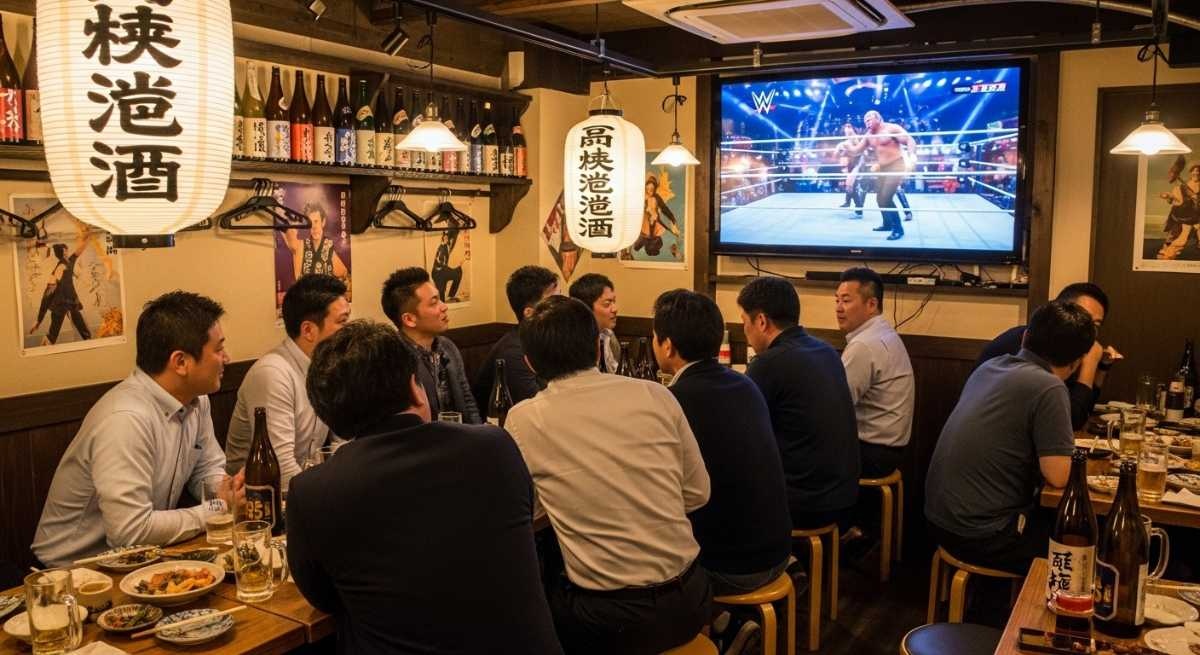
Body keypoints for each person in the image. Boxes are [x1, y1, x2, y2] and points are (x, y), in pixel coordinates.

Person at [287, 321, 562, 654]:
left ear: (331, 417)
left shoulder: (313, 492)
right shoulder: (495, 446)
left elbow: (324, 597)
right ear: (416, 389)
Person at [505, 296, 712, 654]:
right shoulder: (656, 394)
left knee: (532, 605)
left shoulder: (524, 418)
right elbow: (698, 493)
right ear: (597, 349)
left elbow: (528, 513)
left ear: (530, 363)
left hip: (609, 618)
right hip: (692, 598)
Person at [32, 291, 234, 567]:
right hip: (73, 572)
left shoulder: (196, 400)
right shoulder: (126, 419)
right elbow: (130, 531)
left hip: (140, 558)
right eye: (218, 349)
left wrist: (227, 490)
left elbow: (207, 469)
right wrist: (215, 509)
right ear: (180, 362)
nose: (227, 358)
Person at [925, 301, 1096, 574]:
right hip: (980, 534)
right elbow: (1058, 476)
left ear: (1025, 337)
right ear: (1077, 361)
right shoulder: (1049, 387)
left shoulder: (991, 366)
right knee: (1081, 549)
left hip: (938, 520)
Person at [652, 289, 792, 595]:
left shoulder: (672, 402)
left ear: (667, 345)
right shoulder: (745, 384)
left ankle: (711, 619)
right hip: (779, 551)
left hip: (732, 566)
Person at [738, 276, 860, 530]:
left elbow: (742, 434)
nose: (745, 332)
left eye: (744, 322)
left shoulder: (768, 363)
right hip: (845, 496)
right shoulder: (826, 351)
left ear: (761, 321)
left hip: (805, 505)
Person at [225, 274, 350, 486]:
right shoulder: (273, 373)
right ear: (308, 330)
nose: (349, 330)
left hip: (304, 484)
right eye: (342, 322)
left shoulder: (330, 366)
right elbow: (281, 468)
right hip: (259, 495)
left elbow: (343, 443)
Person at [975, 282, 1122, 430]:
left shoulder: (1061, 349)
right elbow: (1070, 421)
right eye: (1082, 318)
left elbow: (1083, 407)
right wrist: (1090, 364)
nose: (1087, 330)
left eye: (1095, 325)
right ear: (1061, 311)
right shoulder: (1031, 345)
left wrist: (1102, 367)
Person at [834, 268, 915, 479]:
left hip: (872, 453)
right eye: (837, 300)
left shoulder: (864, 345)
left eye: (846, 301)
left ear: (871, 304)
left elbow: (836, 407)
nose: (839, 308)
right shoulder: (883, 333)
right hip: (890, 450)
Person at [382, 267, 481, 423]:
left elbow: (468, 401)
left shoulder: (447, 347)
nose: (444, 307)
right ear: (409, 319)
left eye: (440, 299)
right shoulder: (393, 360)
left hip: (460, 434)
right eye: (434, 303)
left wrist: (479, 432)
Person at [473, 265, 558, 406]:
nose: (562, 306)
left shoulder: (547, 341)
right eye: (553, 301)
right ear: (529, 313)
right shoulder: (512, 353)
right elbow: (538, 407)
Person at [844, 110, 918, 240]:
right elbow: (857, 151)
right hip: (882, 168)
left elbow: (909, 140)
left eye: (869, 119)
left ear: (878, 118)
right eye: (865, 121)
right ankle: (887, 224)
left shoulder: (891, 128)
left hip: (896, 165)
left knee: (886, 198)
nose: (867, 122)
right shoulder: (868, 135)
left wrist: (911, 155)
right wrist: (847, 147)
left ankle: (898, 229)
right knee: (880, 198)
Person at [29, 225, 94, 345]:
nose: (68, 252)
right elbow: (46, 297)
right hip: (60, 306)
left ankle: (90, 343)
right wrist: (39, 320)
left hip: (71, 304)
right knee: (52, 336)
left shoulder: (68, 263)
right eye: (66, 251)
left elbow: (79, 251)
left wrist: (88, 237)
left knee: (84, 331)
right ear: (64, 253)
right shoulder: (58, 271)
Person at [282, 202, 349, 283]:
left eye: (316, 221)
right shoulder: (300, 246)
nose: (314, 227)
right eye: (311, 223)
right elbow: (289, 235)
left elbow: (345, 275)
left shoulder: (328, 249)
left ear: (323, 222)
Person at [568, 273, 621, 373]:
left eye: (614, 302)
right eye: (607, 304)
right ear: (585, 308)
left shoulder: (608, 335)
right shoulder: (574, 342)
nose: (615, 309)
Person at [1157, 160, 1200, 260]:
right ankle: (1167, 254)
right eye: (1194, 171)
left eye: (1198, 171)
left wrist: (1197, 198)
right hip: (1184, 216)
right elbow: (1175, 199)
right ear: (1190, 173)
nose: (1196, 173)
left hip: (1197, 216)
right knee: (1176, 235)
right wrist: (1168, 196)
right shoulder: (1182, 187)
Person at [632, 174, 680, 258]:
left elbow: (664, 209)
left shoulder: (657, 197)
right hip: (644, 225)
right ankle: (643, 243)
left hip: (655, 223)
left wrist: (672, 219)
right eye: (647, 189)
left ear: (654, 189)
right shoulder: (641, 197)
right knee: (636, 247)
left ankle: (651, 246)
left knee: (653, 242)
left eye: (651, 189)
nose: (649, 191)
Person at [430, 228, 468, 301]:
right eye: (445, 238)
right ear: (442, 239)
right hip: (439, 272)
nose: (447, 239)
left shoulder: (447, 246)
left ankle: (451, 295)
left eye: (447, 238)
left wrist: (460, 263)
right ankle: (447, 297)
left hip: (443, 270)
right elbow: (441, 261)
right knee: (441, 295)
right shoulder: (442, 248)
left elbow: (452, 243)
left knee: (458, 272)